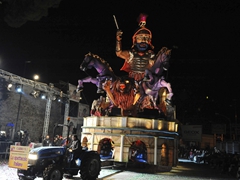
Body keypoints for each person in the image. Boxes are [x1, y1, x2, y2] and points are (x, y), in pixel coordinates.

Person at [115, 13, 155, 82]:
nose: (144, 40)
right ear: (135, 40)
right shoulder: (131, 53)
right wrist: (118, 40)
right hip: (132, 78)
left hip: (146, 79)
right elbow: (119, 53)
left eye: (146, 38)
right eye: (140, 37)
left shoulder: (151, 54)